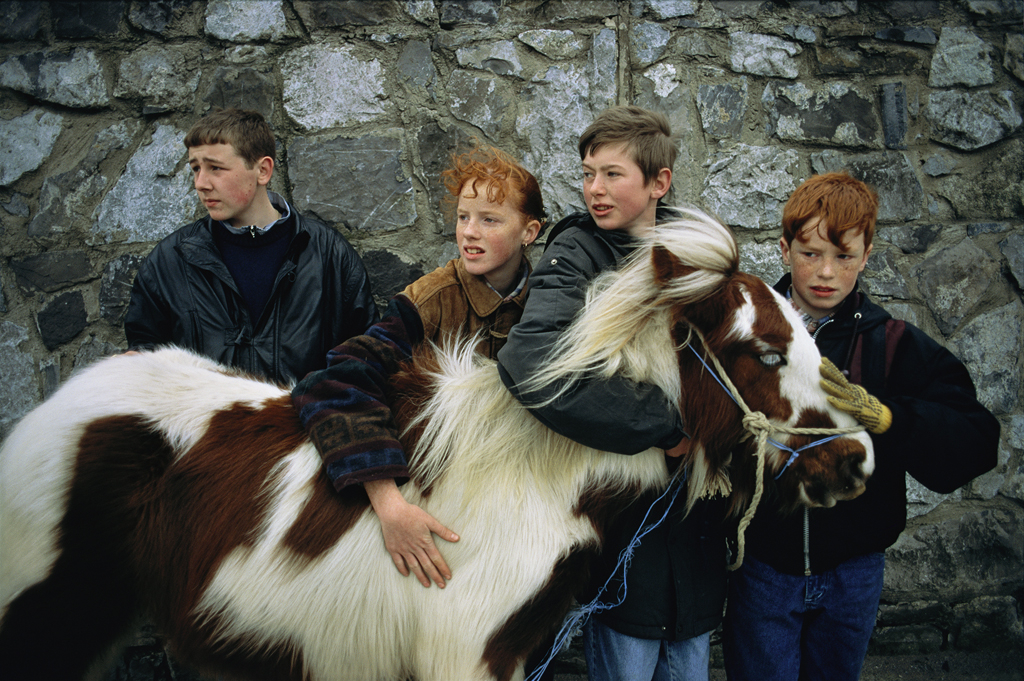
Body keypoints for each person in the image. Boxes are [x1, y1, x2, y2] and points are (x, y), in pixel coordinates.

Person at [722, 172, 1000, 681]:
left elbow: (979, 439)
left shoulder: (895, 343)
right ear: (784, 250)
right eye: (810, 253)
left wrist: (893, 418)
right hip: (764, 569)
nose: (825, 271)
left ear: (867, 256)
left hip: (855, 570)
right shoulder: (748, 335)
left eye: (844, 256)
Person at [497, 105, 727, 681]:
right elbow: (530, 360)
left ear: (659, 183)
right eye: (587, 173)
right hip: (622, 513)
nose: (593, 189)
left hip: (696, 519)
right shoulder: (577, 254)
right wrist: (664, 426)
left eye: (611, 174)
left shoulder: (696, 256)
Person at [292, 143, 547, 590]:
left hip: (520, 511)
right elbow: (335, 382)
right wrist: (390, 506)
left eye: (490, 220)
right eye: (463, 217)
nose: (469, 232)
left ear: (529, 232)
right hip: (439, 504)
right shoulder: (430, 301)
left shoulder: (550, 301)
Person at [125, 107, 379, 384]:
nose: (200, 183)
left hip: (303, 424)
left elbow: (364, 360)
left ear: (262, 170)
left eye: (215, 168)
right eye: (196, 168)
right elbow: (148, 365)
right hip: (205, 426)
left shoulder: (329, 255)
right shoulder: (169, 261)